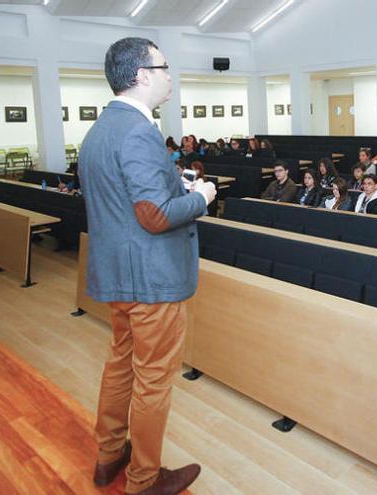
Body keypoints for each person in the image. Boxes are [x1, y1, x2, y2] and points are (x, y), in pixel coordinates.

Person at [80, 37, 213, 495]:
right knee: (153, 381)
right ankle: (143, 478)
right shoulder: (138, 131)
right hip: (152, 281)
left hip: (118, 275)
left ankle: (108, 456)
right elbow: (154, 216)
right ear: (141, 75)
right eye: (164, 66)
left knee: (120, 366)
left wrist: (172, 185)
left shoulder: (99, 130)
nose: (170, 74)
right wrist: (200, 198)